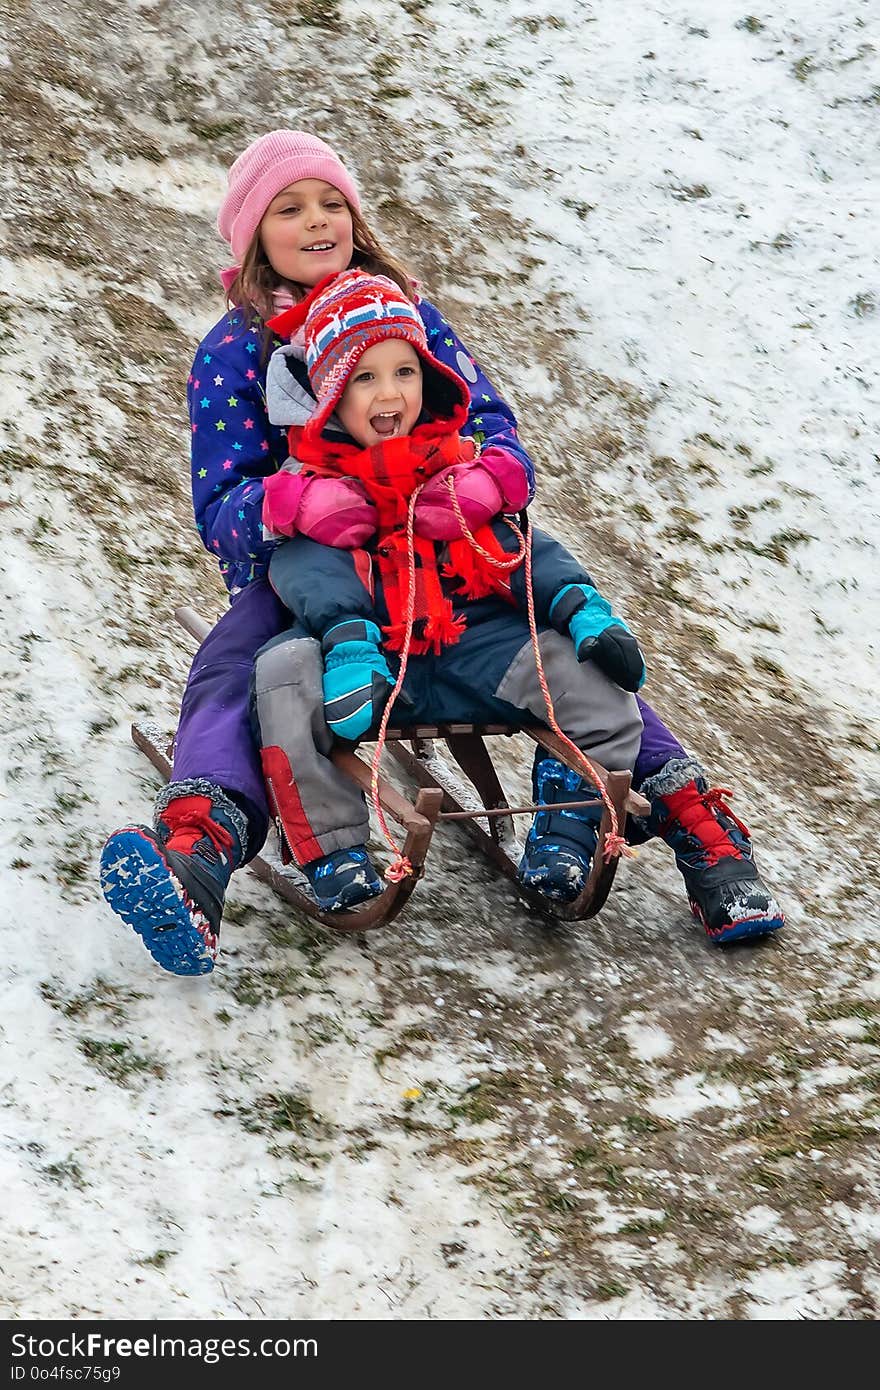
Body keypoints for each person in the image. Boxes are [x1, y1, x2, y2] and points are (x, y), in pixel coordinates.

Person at [98, 130, 782, 977]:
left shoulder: (409, 315)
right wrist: (296, 501)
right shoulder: (236, 347)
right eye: (289, 208)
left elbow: (493, 427)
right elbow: (221, 507)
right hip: (308, 569)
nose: (318, 221)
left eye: (332, 203)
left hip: (443, 550)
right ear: (249, 236)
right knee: (234, 666)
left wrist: (485, 485)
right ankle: (199, 846)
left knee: (573, 653)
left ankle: (698, 826)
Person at [252, 268, 785, 954]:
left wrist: (583, 608)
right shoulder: (311, 489)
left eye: (405, 372)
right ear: (329, 397)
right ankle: (335, 854)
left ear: (430, 381)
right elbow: (304, 569)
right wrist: (350, 637)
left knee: (587, 679)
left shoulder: (460, 472)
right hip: (371, 666)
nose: (389, 393)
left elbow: (522, 549)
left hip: (476, 644)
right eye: (365, 378)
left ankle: (567, 832)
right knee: (282, 671)